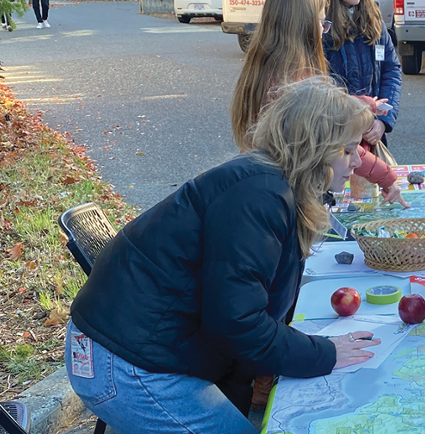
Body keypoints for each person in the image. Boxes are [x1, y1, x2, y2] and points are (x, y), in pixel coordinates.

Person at [66, 77, 383, 434]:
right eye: (348, 149)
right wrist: (323, 354)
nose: (358, 159)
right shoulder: (259, 195)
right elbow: (237, 322)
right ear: (314, 148)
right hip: (125, 364)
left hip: (140, 350)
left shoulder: (270, 182)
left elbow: (241, 316)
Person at [230, 0, 408, 208]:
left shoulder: (261, 70)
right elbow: (334, 143)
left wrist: (358, 103)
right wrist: (386, 177)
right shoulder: (297, 85)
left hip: (264, 191)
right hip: (288, 196)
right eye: (322, 23)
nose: (324, 32)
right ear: (303, 25)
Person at [320, 0, 402, 147]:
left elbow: (391, 70)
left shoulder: (374, 19)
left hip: (372, 131)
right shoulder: (321, 24)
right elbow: (318, 82)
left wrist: (383, 120)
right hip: (336, 134)